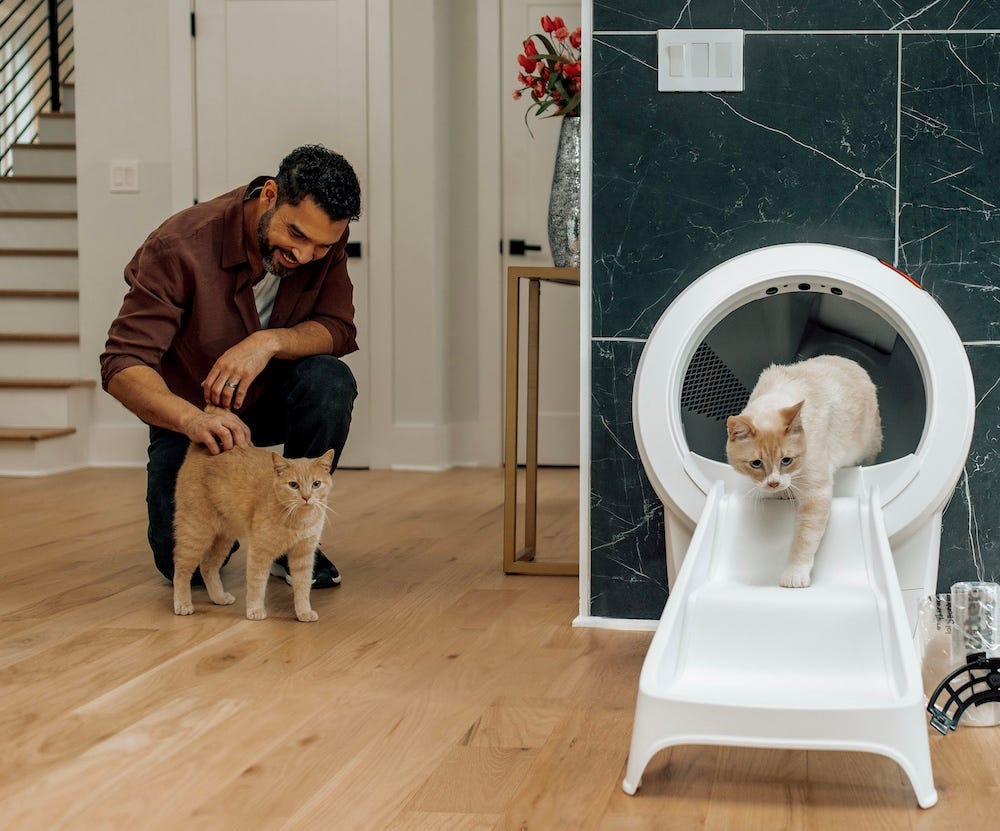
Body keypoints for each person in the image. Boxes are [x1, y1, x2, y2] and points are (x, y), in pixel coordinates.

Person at [101, 144, 361, 589]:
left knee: (330, 380)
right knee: (182, 564)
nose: (305, 255)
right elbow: (122, 363)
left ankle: (290, 539)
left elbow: (337, 327)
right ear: (270, 195)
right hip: (195, 420)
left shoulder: (321, 244)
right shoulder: (179, 245)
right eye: (296, 236)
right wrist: (192, 420)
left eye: (322, 246)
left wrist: (268, 341)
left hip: (272, 400)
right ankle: (243, 525)